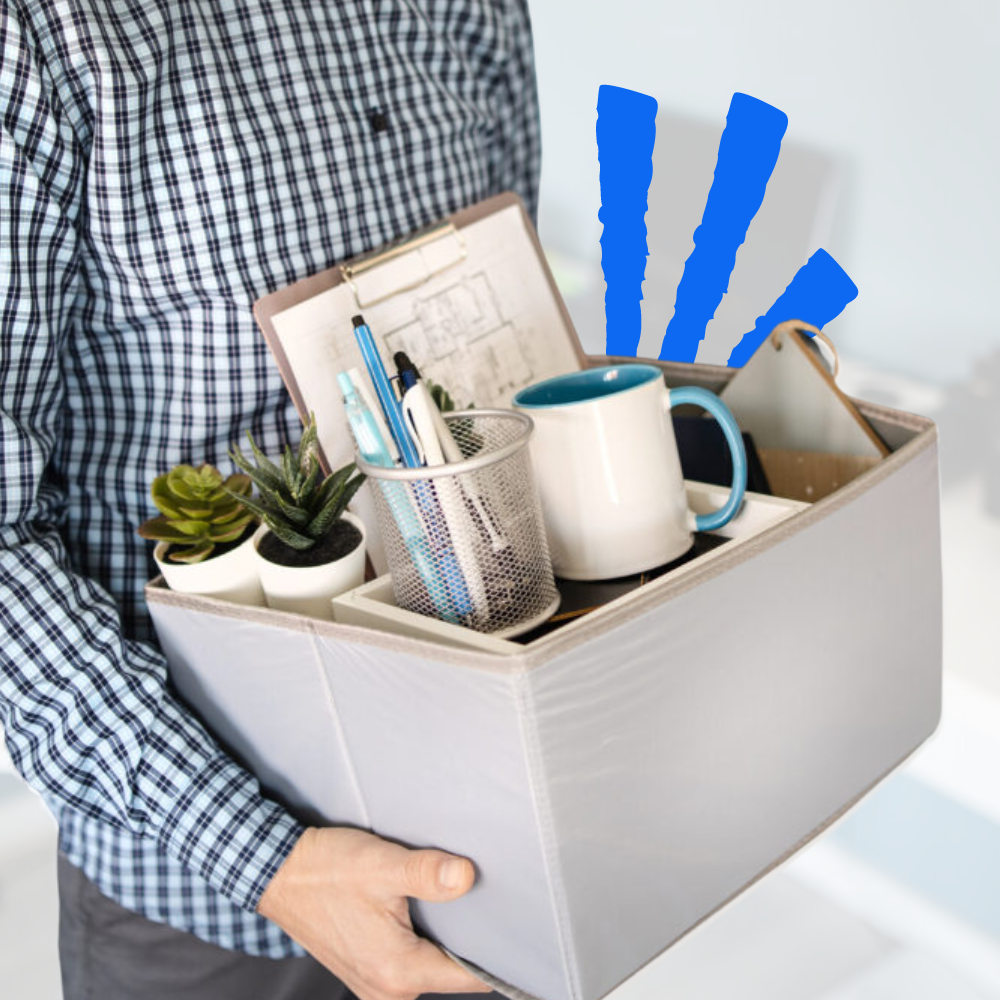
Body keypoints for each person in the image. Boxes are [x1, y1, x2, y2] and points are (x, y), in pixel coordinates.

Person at [0, 1, 541, 996]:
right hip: (204, 891)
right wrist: (265, 857)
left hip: (493, 830)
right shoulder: (44, 32)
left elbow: (502, 340)